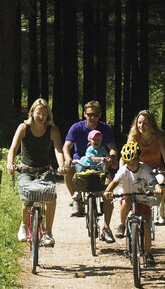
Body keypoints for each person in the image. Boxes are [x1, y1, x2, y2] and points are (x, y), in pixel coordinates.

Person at [6, 98, 67, 246]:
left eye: (45, 114)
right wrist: (10, 163)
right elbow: (13, 148)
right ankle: (24, 225)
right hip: (26, 170)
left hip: (45, 170)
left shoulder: (53, 130)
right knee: (28, 198)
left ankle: (48, 232)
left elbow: (58, 150)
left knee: (51, 196)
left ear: (48, 115)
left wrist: (61, 165)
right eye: (39, 113)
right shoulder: (24, 127)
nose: (41, 117)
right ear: (32, 113)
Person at [63, 100, 118, 243]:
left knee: (108, 190)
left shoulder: (105, 129)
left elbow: (112, 147)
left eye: (95, 115)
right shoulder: (76, 128)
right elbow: (66, 146)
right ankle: (77, 200)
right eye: (89, 115)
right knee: (68, 171)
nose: (92, 118)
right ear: (84, 114)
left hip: (100, 164)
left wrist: (112, 157)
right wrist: (68, 158)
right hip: (80, 163)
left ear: (100, 115)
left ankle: (106, 228)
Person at [104, 141, 165, 267]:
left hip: (143, 197)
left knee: (147, 224)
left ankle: (148, 253)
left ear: (139, 159)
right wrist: (108, 190)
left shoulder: (144, 168)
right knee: (127, 200)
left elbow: (153, 180)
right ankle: (121, 225)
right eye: (129, 163)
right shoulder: (123, 170)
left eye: (134, 162)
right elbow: (115, 181)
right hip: (128, 195)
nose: (131, 165)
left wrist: (157, 187)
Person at [120, 110, 165, 232]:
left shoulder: (159, 137)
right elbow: (125, 154)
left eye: (145, 123)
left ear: (151, 124)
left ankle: (161, 212)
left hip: (155, 169)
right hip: (138, 168)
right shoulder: (133, 136)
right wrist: (122, 170)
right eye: (139, 123)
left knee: (161, 183)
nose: (141, 126)